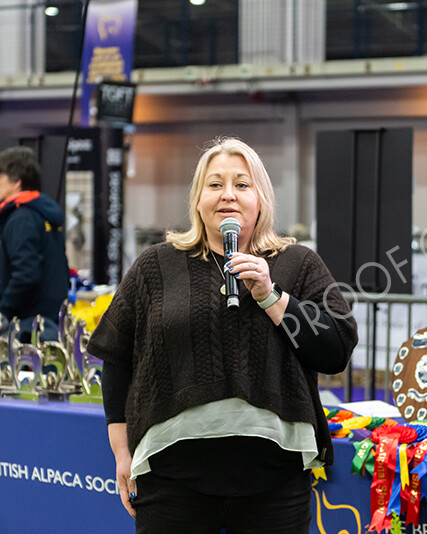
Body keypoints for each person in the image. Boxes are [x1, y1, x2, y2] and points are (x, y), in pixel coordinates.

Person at [87, 137, 358, 533]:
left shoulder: (297, 264)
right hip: (172, 482)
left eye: (241, 185)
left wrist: (271, 296)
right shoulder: (155, 266)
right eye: (214, 185)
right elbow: (117, 357)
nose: (228, 195)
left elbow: (334, 350)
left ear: (261, 199)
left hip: (275, 484)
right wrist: (121, 452)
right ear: (197, 200)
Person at [0, 146, 69, 342]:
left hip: (26, 326)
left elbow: (26, 274)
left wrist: (4, 310)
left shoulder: (21, 218)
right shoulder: (43, 213)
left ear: (16, 182)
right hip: (47, 321)